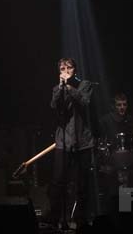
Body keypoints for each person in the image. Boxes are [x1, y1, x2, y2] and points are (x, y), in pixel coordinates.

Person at [44, 57, 95, 228]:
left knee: (82, 182)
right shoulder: (57, 88)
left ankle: (81, 218)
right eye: (62, 68)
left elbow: (84, 101)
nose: (65, 70)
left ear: (75, 70)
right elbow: (54, 106)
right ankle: (55, 215)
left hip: (83, 141)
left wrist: (69, 87)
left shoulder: (84, 85)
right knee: (58, 180)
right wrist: (61, 88)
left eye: (69, 67)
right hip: (63, 140)